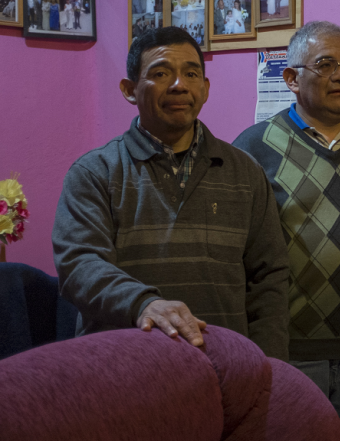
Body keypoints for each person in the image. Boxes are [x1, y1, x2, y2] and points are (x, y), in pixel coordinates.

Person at [52, 26, 290, 361]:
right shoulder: (95, 172)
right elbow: (79, 266)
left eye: (191, 74)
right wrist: (143, 304)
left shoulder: (245, 172)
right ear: (130, 90)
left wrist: (269, 365)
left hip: (224, 369)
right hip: (121, 369)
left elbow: (269, 277)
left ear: (205, 89)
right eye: (161, 73)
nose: (179, 85)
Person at [233, 21, 340, 441]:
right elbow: (241, 255)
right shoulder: (255, 147)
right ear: (292, 78)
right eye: (326, 64)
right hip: (292, 353)